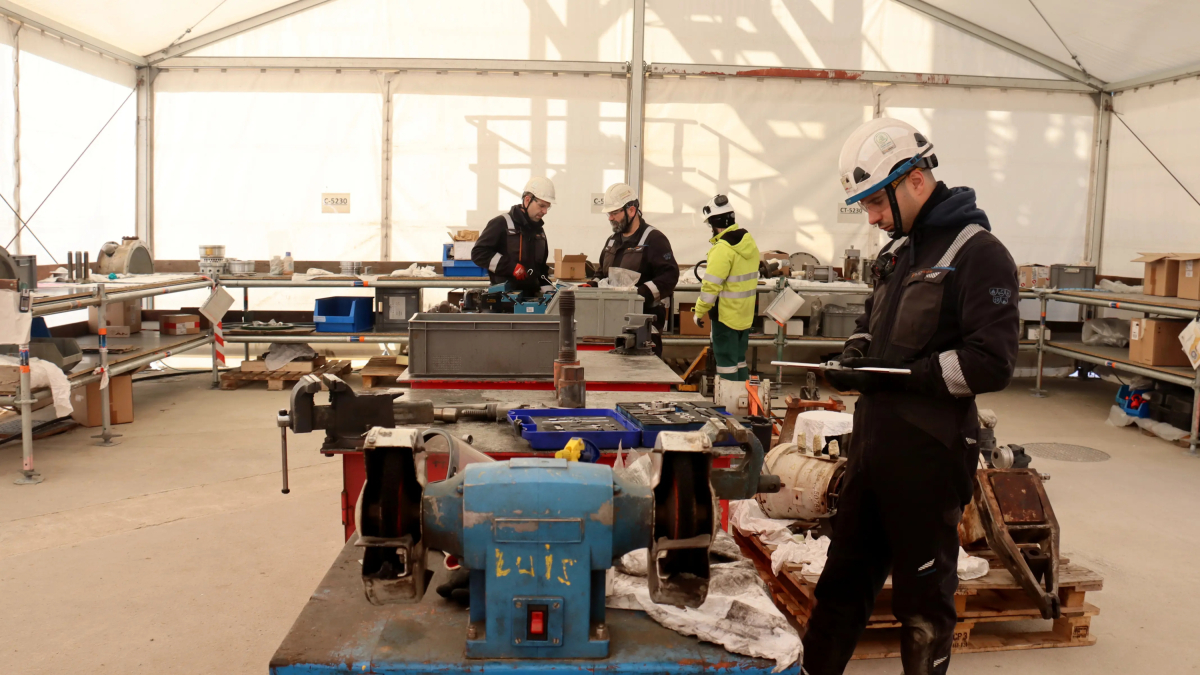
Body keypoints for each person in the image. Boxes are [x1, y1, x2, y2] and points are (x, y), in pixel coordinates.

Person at [801, 118, 1020, 675]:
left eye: (875, 203)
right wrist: (855, 355)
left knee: (922, 607)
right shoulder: (898, 253)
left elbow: (992, 362)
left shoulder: (979, 254)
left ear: (914, 180)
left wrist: (906, 374)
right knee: (840, 588)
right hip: (875, 449)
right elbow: (874, 324)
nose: (871, 218)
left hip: (929, 455)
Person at [691, 194, 759, 410]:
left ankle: (730, 410)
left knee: (727, 365)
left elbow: (710, 287)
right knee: (739, 362)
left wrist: (698, 311)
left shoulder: (722, 249)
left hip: (726, 318)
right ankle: (745, 406)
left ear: (714, 223)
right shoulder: (748, 242)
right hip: (745, 317)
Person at [593, 183, 679, 354]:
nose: (610, 218)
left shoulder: (654, 239)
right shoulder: (612, 241)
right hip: (613, 321)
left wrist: (640, 295)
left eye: (614, 213)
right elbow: (601, 272)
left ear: (631, 210)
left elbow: (669, 275)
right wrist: (592, 285)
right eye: (609, 213)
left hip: (643, 325)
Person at [472, 177, 555, 294]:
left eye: (548, 207)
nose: (545, 211)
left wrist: (548, 291)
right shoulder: (501, 223)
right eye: (542, 206)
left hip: (532, 298)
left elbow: (541, 268)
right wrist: (512, 268)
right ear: (527, 200)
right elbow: (479, 253)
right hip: (505, 298)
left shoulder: (539, 231)